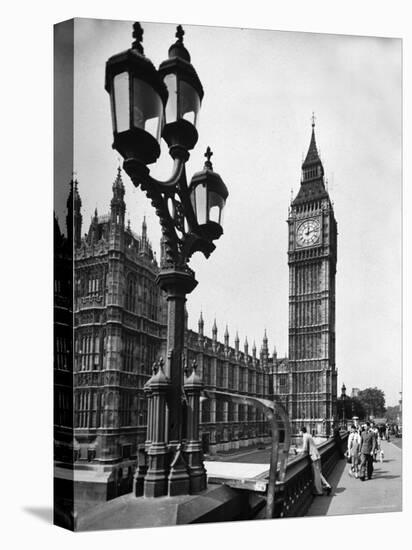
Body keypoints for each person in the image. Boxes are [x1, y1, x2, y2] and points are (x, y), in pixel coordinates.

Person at [299, 426, 332, 496]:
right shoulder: (309, 435)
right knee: (319, 473)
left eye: (300, 432)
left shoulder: (305, 436)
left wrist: (298, 451)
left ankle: (320, 492)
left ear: (302, 431)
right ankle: (327, 486)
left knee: (317, 475)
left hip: (313, 456)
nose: (299, 433)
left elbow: (304, 448)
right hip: (317, 455)